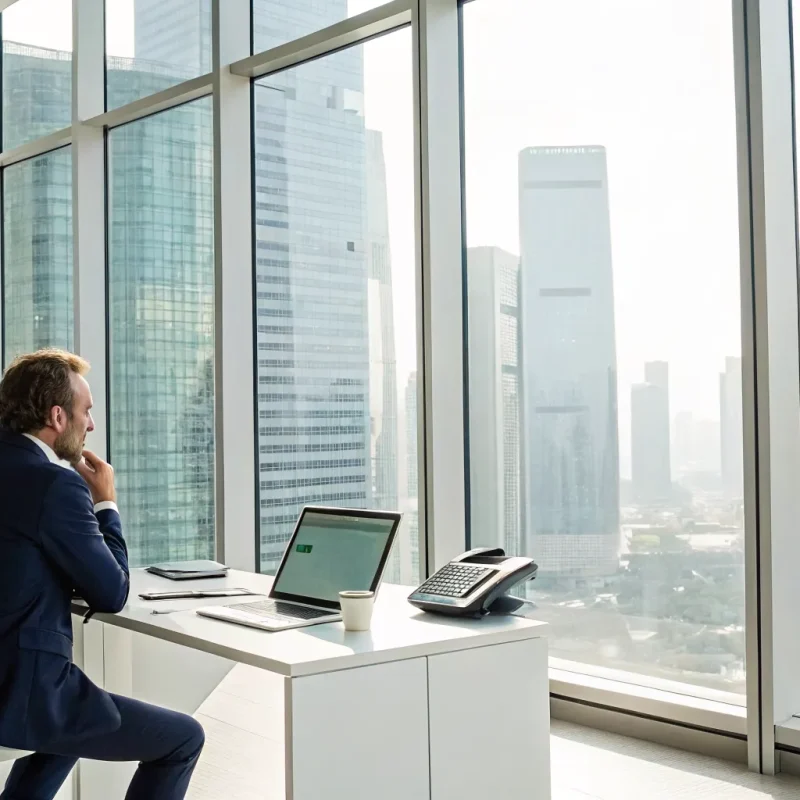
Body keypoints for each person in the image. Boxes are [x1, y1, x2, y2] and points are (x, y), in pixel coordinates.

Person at [0, 349, 204, 800]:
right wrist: (105, 502)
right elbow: (112, 591)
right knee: (183, 739)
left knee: (68, 733)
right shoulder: (53, 483)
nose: (90, 425)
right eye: (86, 411)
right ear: (57, 416)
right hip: (21, 691)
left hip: (14, 683)